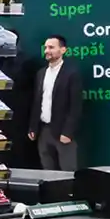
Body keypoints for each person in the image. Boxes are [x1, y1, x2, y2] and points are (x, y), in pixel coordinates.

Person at [27, 35, 83, 171]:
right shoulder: (41, 73)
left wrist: (68, 132)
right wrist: (33, 127)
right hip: (43, 131)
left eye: (51, 47)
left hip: (62, 131)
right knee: (48, 171)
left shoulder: (71, 74)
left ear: (63, 50)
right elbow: (37, 102)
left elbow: (75, 106)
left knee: (68, 172)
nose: (47, 51)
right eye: (46, 47)